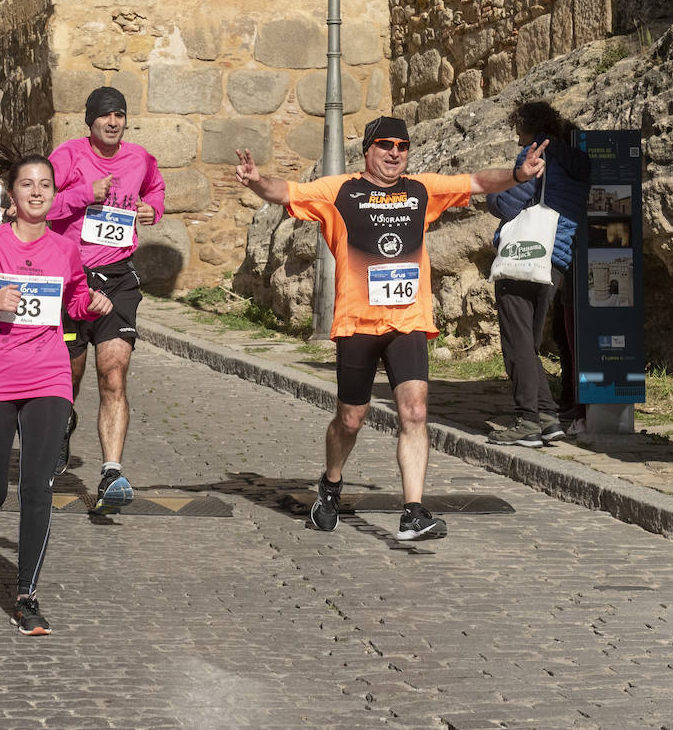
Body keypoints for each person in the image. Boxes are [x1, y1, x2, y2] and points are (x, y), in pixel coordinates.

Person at [235, 115, 546, 540]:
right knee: (350, 418)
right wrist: (256, 181)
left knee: (415, 413)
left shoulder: (420, 191)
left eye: (401, 145)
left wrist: (516, 174)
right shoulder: (340, 191)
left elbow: (475, 183)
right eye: (385, 145)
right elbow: (286, 192)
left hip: (408, 321)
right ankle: (330, 485)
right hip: (358, 323)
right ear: (368, 150)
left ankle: (413, 511)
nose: (394, 152)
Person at [0, 135, 112, 636]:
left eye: (45, 185)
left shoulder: (65, 249)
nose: (37, 193)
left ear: (55, 194)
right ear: (11, 195)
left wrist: (92, 304)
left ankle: (27, 595)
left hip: (48, 374)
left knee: (39, 485)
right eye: (27, 185)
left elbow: (74, 301)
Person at [47, 86, 165, 513]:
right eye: (105, 116)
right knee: (69, 376)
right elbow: (41, 203)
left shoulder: (139, 158)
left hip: (117, 279)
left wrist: (154, 208)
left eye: (120, 114)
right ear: (90, 121)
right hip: (71, 280)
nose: (113, 122)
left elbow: (155, 189)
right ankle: (61, 426)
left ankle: (112, 473)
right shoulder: (67, 156)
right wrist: (85, 195)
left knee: (113, 372)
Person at [486, 101, 591, 448]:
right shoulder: (574, 160)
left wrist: (493, 193)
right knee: (528, 342)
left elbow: (508, 203)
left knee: (516, 341)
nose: (517, 138)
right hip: (555, 259)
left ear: (531, 126)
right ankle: (546, 415)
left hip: (524, 256)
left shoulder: (536, 153)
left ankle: (526, 421)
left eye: (518, 129)